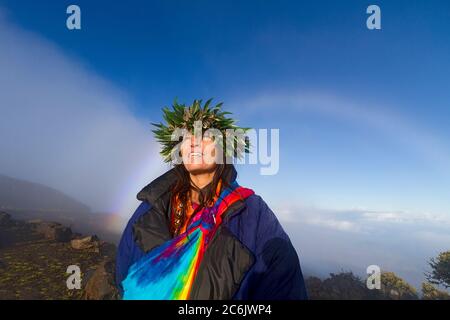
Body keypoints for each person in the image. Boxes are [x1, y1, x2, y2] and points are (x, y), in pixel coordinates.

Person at [115, 99, 308, 300]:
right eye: (185, 137)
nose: (193, 142)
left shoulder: (252, 212)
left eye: (206, 135)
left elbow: (284, 284)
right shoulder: (152, 206)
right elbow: (124, 272)